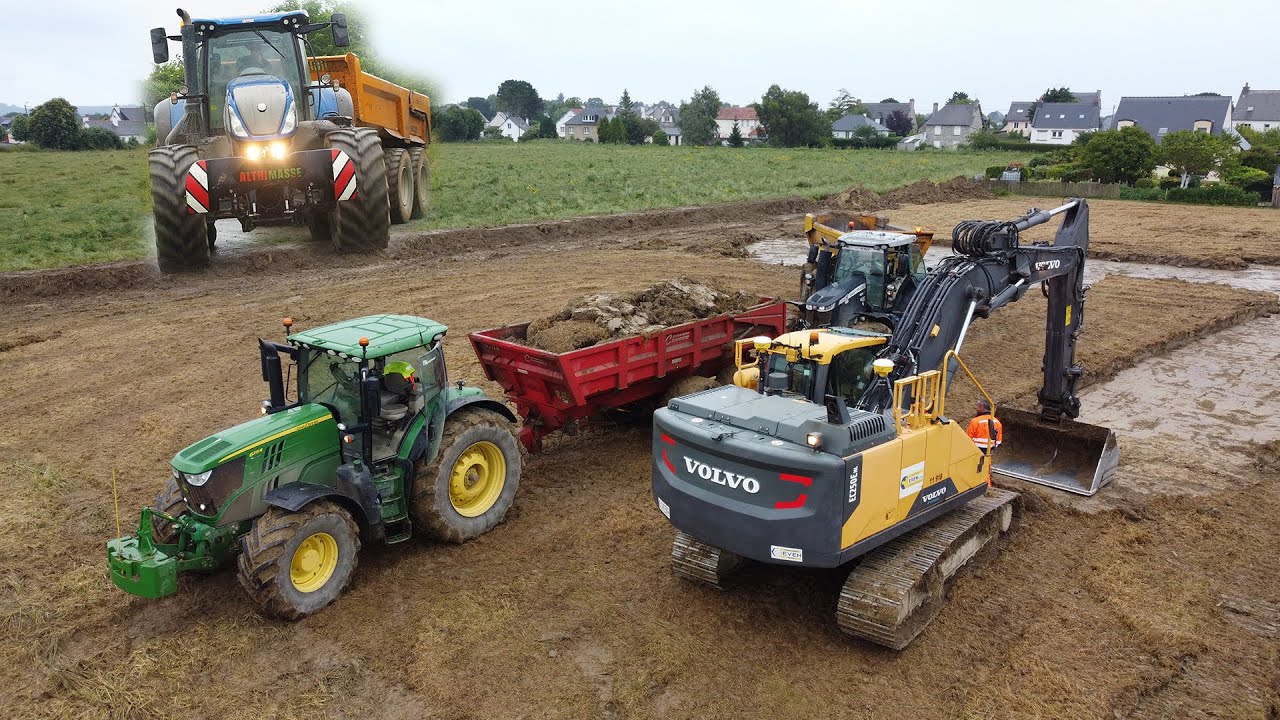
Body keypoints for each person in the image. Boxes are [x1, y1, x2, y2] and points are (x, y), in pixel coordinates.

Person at [966, 400, 1003, 484]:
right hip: (988, 451)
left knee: (973, 470)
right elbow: (999, 440)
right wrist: (991, 448)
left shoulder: (975, 421)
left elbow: (967, 438)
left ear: (981, 407)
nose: (976, 408)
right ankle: (987, 487)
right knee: (986, 470)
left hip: (975, 451)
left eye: (977, 406)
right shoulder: (997, 422)